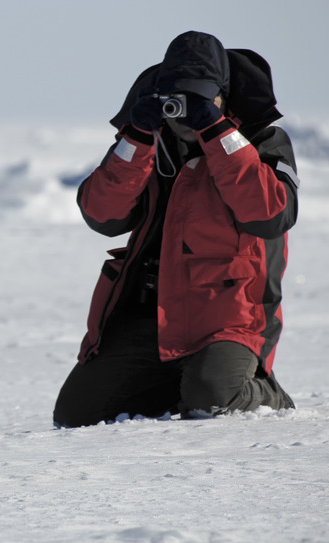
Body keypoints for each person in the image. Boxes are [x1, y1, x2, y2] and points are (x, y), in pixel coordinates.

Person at [53, 31, 299, 427]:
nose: (184, 113)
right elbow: (102, 216)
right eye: (177, 99)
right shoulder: (147, 139)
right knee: (76, 415)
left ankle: (265, 393)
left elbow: (269, 214)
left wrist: (217, 133)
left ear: (223, 96)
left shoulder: (261, 140)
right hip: (151, 310)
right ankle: (189, 383)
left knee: (212, 401)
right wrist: (136, 137)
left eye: (201, 99)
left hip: (227, 316)